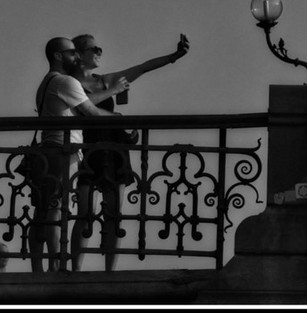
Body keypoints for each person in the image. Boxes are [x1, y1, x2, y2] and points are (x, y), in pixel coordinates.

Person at [69, 31, 190, 272]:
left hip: (114, 148)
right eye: (94, 49)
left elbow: (143, 68)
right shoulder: (72, 83)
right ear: (80, 55)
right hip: (89, 148)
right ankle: (75, 270)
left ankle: (109, 272)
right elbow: (86, 108)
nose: (99, 52)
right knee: (85, 214)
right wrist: (114, 94)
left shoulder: (106, 79)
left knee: (114, 213)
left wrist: (174, 56)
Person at [26, 36, 128, 273]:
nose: (77, 56)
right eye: (72, 52)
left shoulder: (47, 82)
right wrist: (120, 120)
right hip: (63, 151)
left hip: (48, 149)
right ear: (58, 56)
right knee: (55, 208)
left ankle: (41, 267)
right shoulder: (65, 81)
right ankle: (56, 265)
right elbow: (91, 112)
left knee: (43, 210)